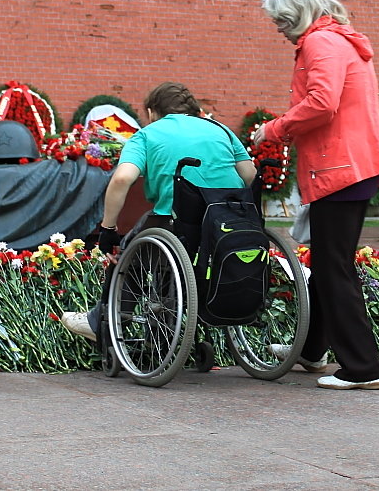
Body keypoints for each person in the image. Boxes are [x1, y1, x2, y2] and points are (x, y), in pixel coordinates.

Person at [253, 0, 379, 390]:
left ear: (296, 13)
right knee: (332, 265)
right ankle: (313, 351)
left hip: (338, 169)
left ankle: (363, 368)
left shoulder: (319, 43)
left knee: (334, 269)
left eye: (281, 20)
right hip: (353, 165)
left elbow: (321, 102)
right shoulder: (340, 40)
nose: (279, 29)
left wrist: (274, 129)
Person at [60, 81, 256, 340]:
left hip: (177, 221)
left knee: (130, 251)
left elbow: (121, 179)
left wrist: (109, 230)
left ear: (152, 112)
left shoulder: (147, 134)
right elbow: (250, 175)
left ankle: (102, 322)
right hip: (228, 222)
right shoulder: (220, 129)